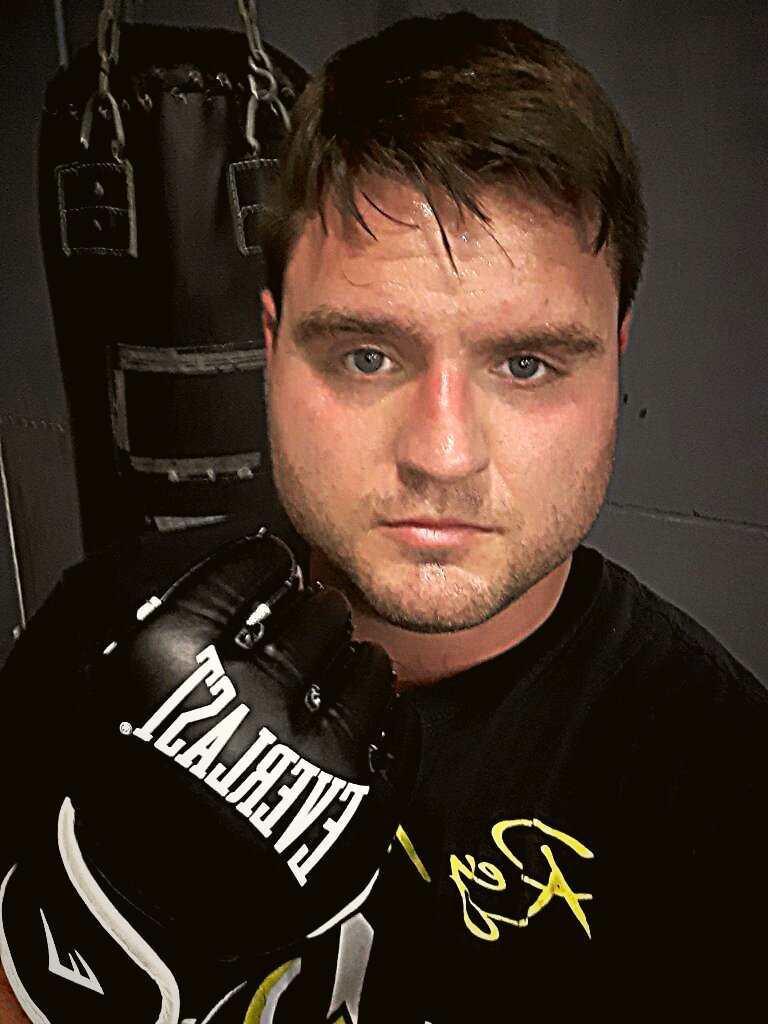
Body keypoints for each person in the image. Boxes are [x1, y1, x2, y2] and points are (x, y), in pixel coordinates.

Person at [1, 11, 767, 1023]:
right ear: (270, 347)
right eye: (367, 355)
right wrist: (86, 949)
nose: (441, 454)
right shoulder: (107, 616)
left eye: (527, 363)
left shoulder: (719, 782)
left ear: (616, 361)